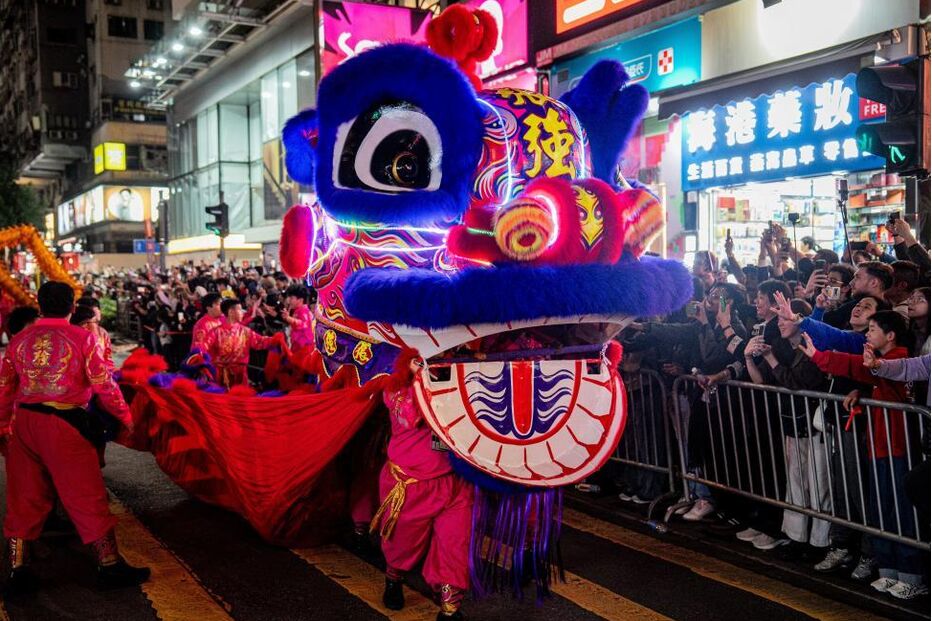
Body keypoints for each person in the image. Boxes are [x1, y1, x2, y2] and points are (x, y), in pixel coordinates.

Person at [0, 282, 150, 596]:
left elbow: (4, 390)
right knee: (86, 494)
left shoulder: (18, 341)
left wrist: (3, 428)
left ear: (40, 306)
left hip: (25, 423)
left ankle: (18, 570)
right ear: (71, 307)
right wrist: (126, 417)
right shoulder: (83, 338)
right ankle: (108, 564)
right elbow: (104, 385)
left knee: (23, 496)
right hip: (64, 423)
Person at [801, 311, 925, 600]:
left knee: (901, 510)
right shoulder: (877, 363)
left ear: (890, 334)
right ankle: (889, 570)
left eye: (872, 329)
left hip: (899, 446)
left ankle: (912, 575)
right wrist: (821, 358)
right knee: (881, 506)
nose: (867, 334)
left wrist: (820, 356)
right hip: (879, 445)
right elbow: (857, 368)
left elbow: (859, 366)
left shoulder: (900, 361)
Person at [372, 354, 472, 621]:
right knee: (402, 547)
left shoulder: (457, 375)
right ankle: (393, 577)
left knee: (454, 546)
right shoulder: (395, 388)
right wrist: (421, 378)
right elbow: (409, 415)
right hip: (410, 485)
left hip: (454, 483)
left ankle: (449, 610)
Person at [745, 298, 831, 558]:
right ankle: (796, 536)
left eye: (784, 319)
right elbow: (761, 379)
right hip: (791, 422)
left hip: (813, 425)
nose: (780, 324)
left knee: (818, 486)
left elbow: (797, 382)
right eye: (779, 319)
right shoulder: (781, 347)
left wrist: (770, 357)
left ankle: (820, 543)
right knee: (795, 484)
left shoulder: (813, 348)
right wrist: (749, 356)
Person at [203, 299, 282, 388]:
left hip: (241, 375)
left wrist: (276, 339)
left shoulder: (245, 331)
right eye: (240, 310)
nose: (242, 313)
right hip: (221, 375)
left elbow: (260, 342)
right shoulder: (216, 332)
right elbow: (203, 347)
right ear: (231, 312)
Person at [282, 284, 314, 352]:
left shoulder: (304, 311)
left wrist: (288, 318)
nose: (289, 301)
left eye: (291, 298)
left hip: (304, 348)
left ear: (300, 300)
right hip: (298, 345)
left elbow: (303, 324)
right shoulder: (297, 310)